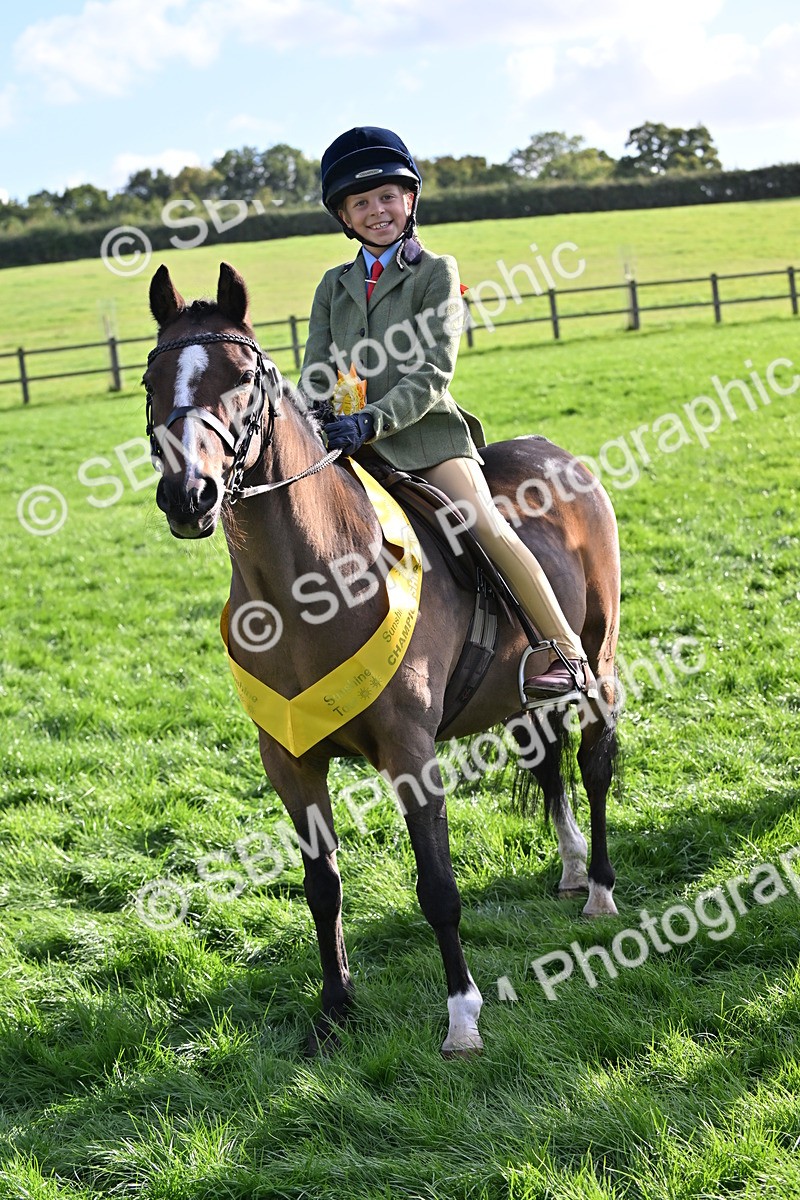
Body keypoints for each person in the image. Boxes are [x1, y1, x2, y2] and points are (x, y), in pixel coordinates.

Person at [299, 126, 594, 701]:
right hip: (349, 446)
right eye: (361, 202)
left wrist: (371, 421)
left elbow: (433, 374)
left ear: (409, 201)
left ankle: (564, 651)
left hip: (425, 441)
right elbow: (318, 369)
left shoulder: (436, 273)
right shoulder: (331, 287)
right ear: (345, 216)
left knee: (482, 523)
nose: (376, 210)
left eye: (387, 196)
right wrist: (321, 420)